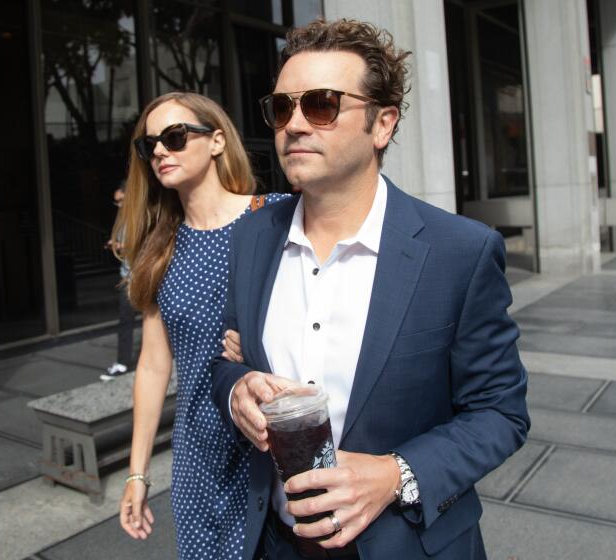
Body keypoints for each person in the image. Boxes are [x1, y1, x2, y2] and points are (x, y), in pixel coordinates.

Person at [211, 19, 530, 560]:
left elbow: (500, 413)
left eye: (321, 105)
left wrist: (393, 475)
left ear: (382, 124)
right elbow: (228, 359)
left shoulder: (459, 252)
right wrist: (237, 389)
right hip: (275, 542)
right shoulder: (252, 235)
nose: (294, 124)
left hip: (406, 544)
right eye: (282, 108)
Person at [114, 92, 290, 560]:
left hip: (269, 448)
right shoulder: (160, 248)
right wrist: (137, 473)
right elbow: (153, 367)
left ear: (216, 141)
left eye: (173, 137)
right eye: (148, 145)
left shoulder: (274, 216)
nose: (158, 152)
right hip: (199, 462)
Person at [102, 184, 135, 380]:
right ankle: (122, 362)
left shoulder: (139, 216)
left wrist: (120, 245)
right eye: (116, 201)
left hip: (141, 278)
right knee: (125, 321)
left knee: (156, 323)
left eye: (121, 200)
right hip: (127, 276)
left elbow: (143, 242)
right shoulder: (122, 219)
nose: (118, 205)